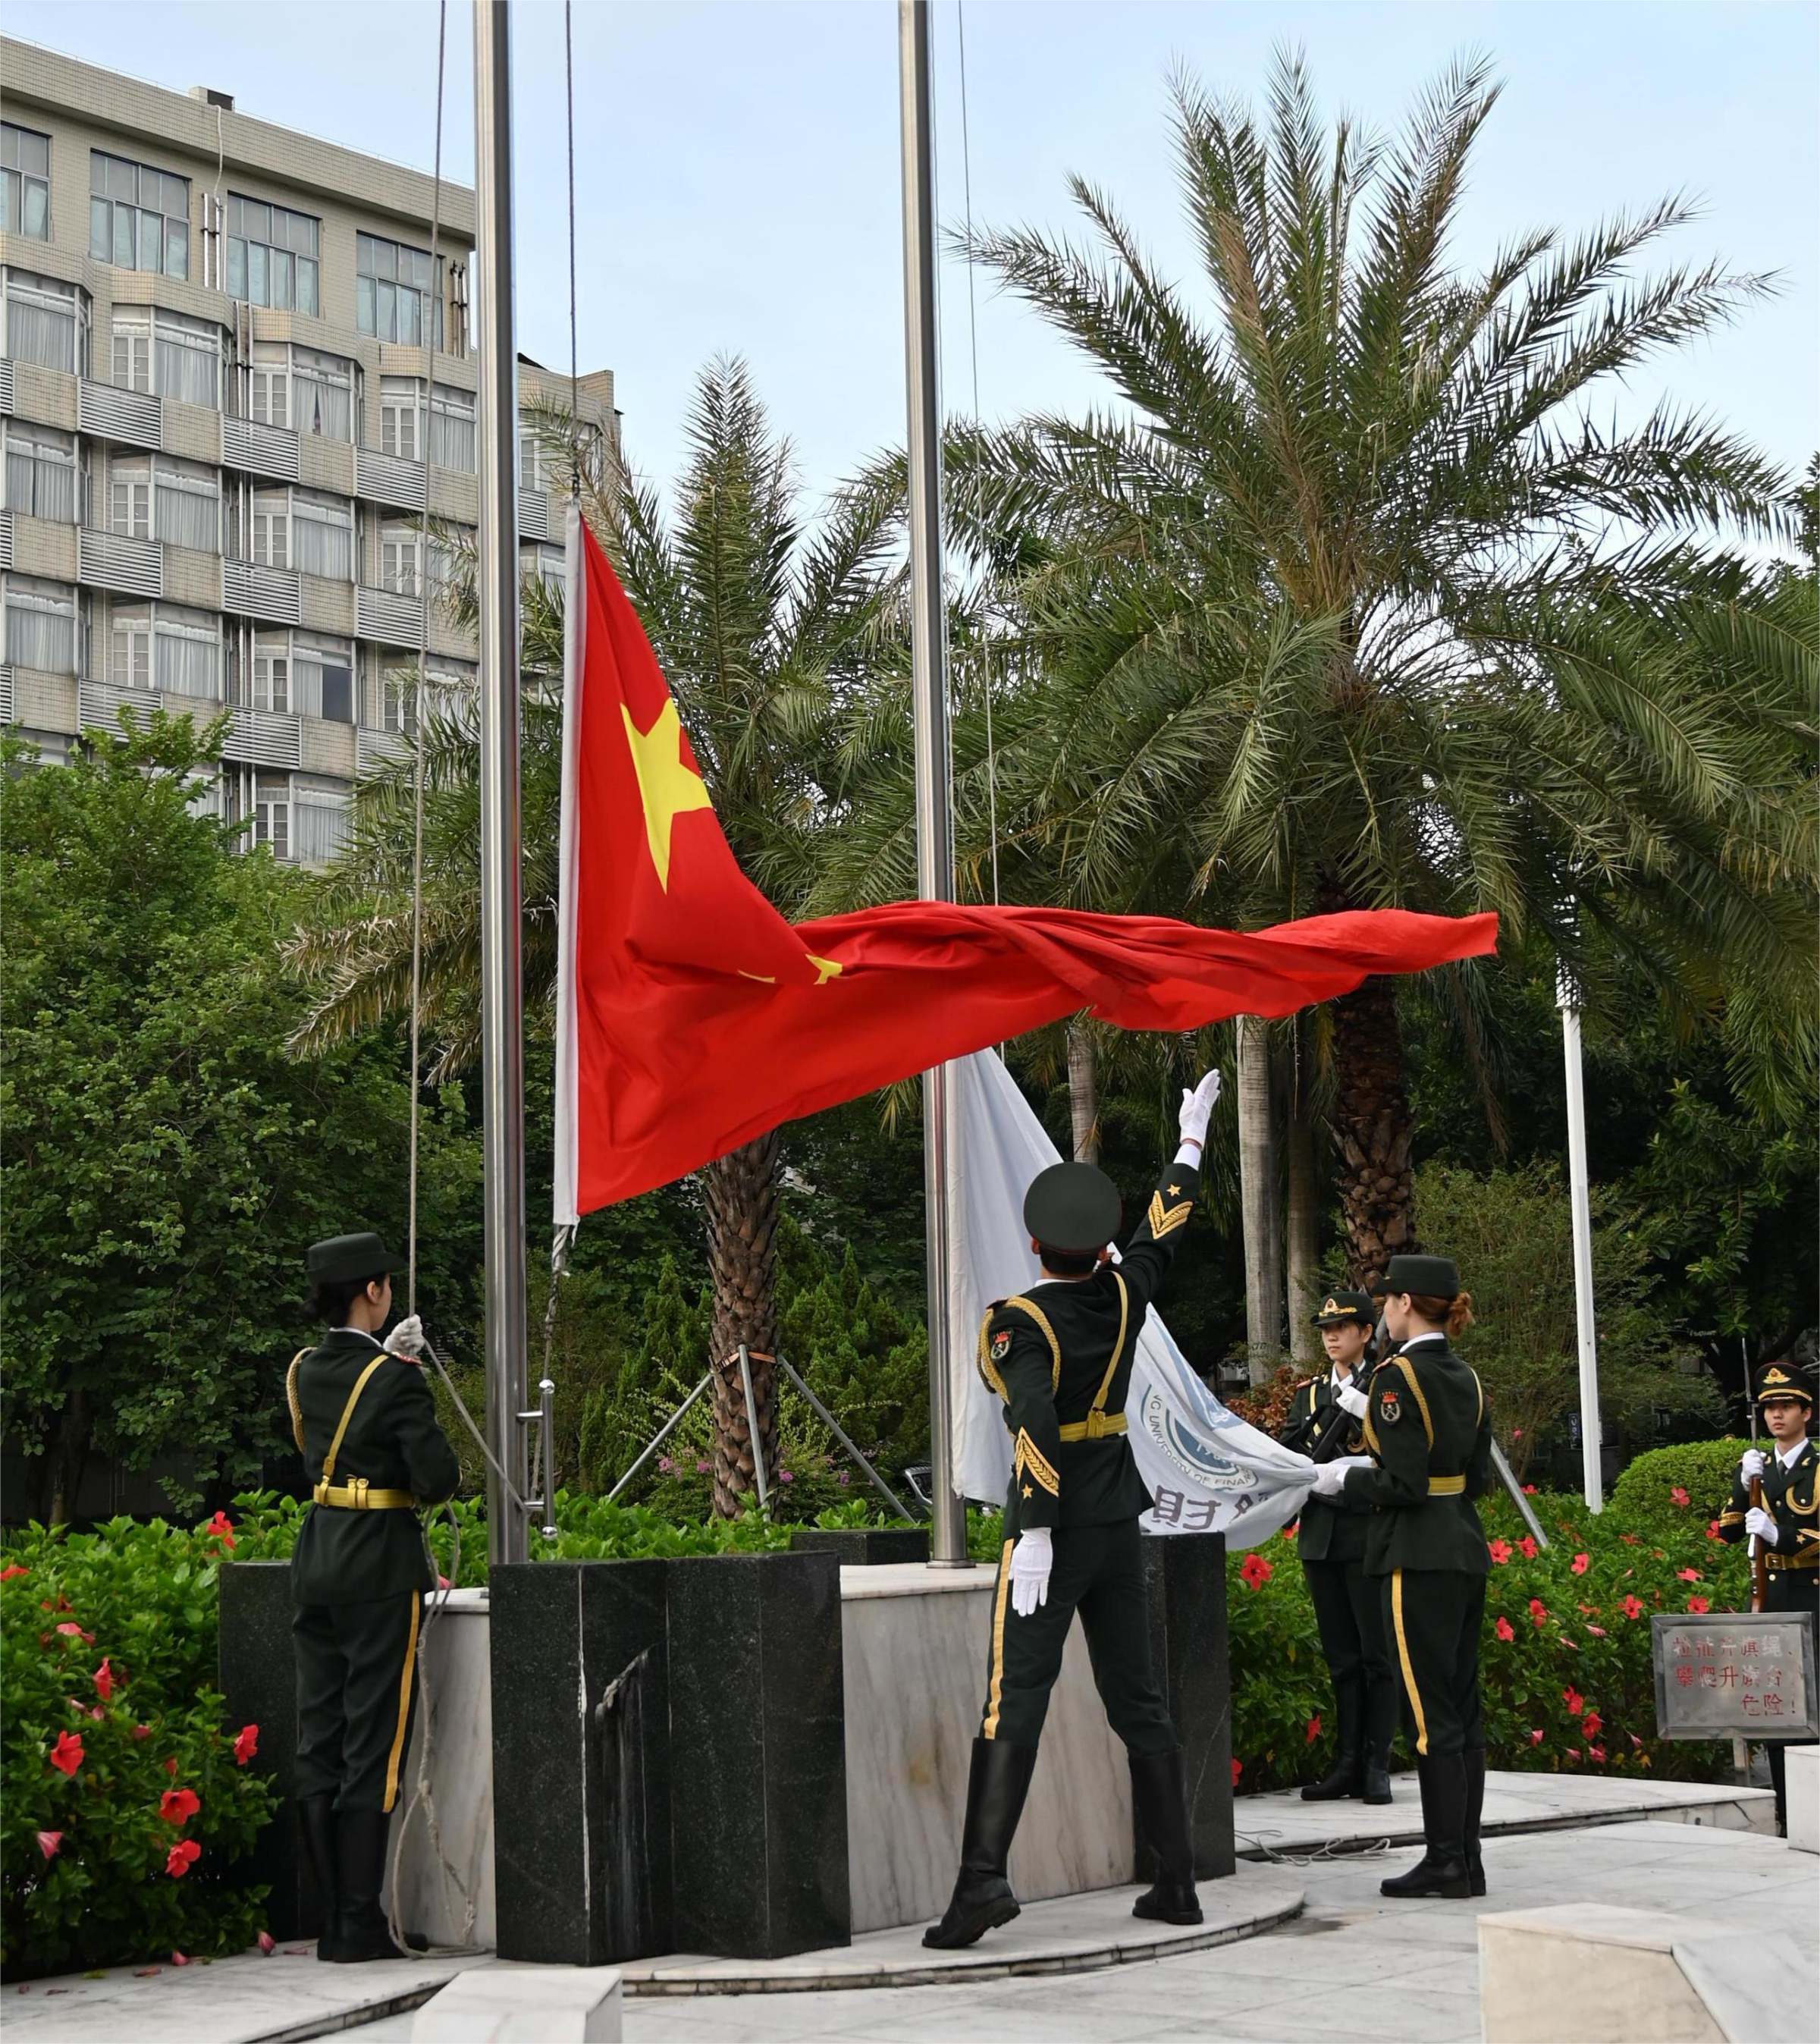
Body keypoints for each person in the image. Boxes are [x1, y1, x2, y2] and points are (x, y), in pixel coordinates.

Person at [924, 1069, 1222, 1951]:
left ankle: (982, 1883)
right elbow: (1162, 1233)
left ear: (1034, 1242)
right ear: (1099, 1248)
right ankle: (1176, 1880)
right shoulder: (1124, 1294)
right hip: (1117, 1518)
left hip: (1050, 1531)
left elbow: (1035, 1423)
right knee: (1139, 1696)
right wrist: (1190, 1142)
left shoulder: (1018, 1323)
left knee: (1013, 1700)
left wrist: (1038, 1531)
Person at [287, 1232, 460, 1963]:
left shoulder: (304, 1369)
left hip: (319, 1558)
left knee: (320, 1736)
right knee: (373, 1744)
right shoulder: (394, 1378)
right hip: (377, 1568)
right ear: (373, 1292)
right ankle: (358, 1920)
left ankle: (333, 1915)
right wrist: (404, 1373)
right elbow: (439, 1478)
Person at [1309, 1253, 1492, 1899]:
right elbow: (1477, 1479)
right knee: (1463, 1709)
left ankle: (1445, 1861)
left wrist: (1344, 1478)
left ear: (1406, 1303)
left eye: (1387, 1299)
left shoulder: (1396, 1378)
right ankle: (1466, 1859)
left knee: (1430, 1712)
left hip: (1416, 1554)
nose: (1384, 1308)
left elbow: (1403, 1483)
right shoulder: (1466, 1376)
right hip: (1464, 1545)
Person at [1280, 1291, 1395, 1805]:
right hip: (1321, 1538)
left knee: (1377, 1657)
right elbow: (1288, 1455)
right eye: (1325, 1329)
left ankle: (1376, 1764)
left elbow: (1400, 1453)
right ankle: (1346, 1763)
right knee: (1342, 1659)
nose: (1331, 1336)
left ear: (1367, 1333)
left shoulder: (1385, 1389)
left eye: (1342, 1327)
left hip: (1367, 1533)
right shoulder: (1308, 1396)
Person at [1717, 1362, 1817, 1835]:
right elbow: (1728, 1530)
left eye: (1786, 1406)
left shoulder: (1819, 1469)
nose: (1776, 1415)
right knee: (1778, 1708)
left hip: (1812, 1598)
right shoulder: (1757, 1466)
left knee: (1814, 1708)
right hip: (1771, 1600)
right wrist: (1743, 1484)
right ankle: (1785, 1814)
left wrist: (1781, 1535)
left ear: (1806, 1413)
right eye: (1770, 1407)